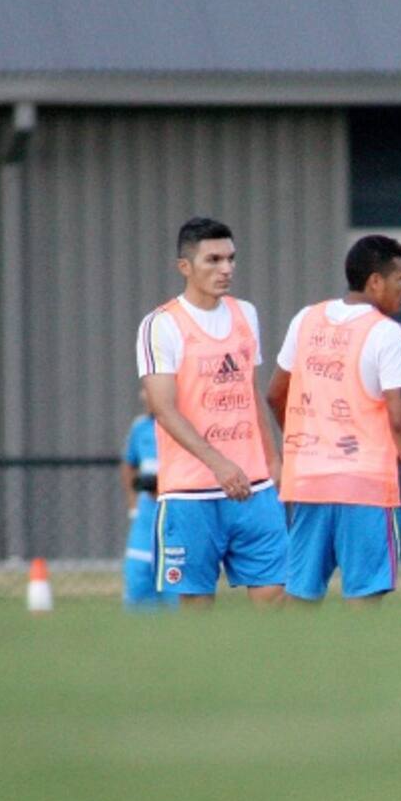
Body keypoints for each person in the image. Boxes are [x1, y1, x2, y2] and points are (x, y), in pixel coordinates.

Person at [266, 234, 401, 603]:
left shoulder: (306, 320)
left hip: (309, 483)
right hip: (366, 490)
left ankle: (280, 661)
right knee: (364, 602)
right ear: (375, 281)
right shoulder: (388, 334)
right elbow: (400, 419)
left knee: (299, 601)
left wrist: (304, 444)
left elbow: (274, 393)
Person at [136, 217, 287, 606]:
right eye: (214, 260)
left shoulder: (245, 314)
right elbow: (164, 410)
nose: (226, 269)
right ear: (185, 267)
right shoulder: (161, 325)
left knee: (276, 600)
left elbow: (250, 391)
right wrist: (218, 464)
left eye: (231, 259)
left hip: (254, 489)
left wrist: (274, 460)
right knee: (197, 609)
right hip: (191, 495)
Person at [119, 387, 176, 608]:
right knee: (138, 574)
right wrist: (133, 503)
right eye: (144, 390)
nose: (144, 395)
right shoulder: (140, 427)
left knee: (174, 578)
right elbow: (129, 464)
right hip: (146, 514)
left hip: (175, 515)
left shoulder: (182, 427)